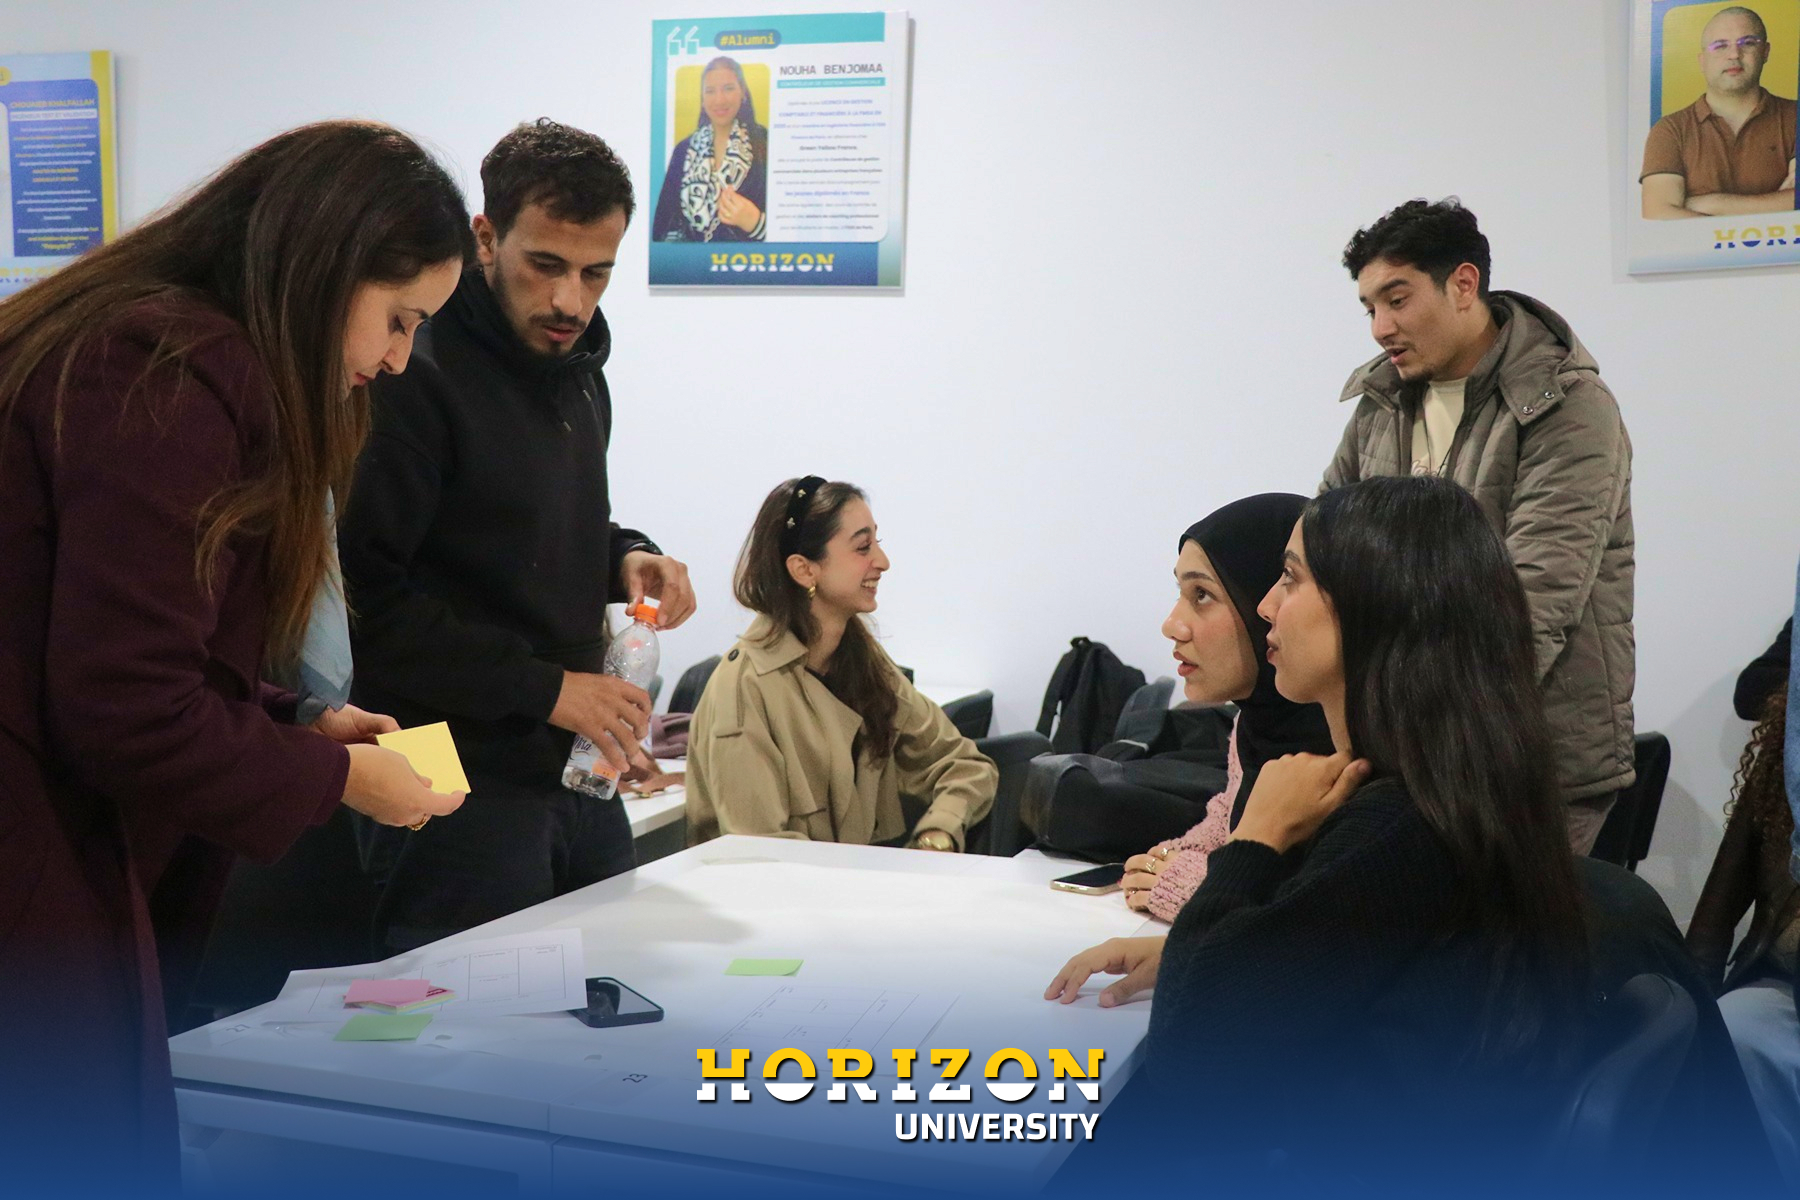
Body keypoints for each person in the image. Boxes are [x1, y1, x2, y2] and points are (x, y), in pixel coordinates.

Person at [0, 121, 471, 1189]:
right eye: (399, 321)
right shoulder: (168, 372)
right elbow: (124, 703)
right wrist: (339, 777)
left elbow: (128, 640)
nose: (397, 361)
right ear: (328, 268)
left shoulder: (151, 346)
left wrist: (296, 718)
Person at [1046, 476, 1591, 1189]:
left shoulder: (1398, 827)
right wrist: (1203, 955)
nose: (1267, 605)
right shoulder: (1455, 787)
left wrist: (1255, 841)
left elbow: (1192, 1060)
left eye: (1291, 579)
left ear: (1374, 609)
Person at [339, 119, 696, 953]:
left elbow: (536, 524)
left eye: (596, 273)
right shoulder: (409, 372)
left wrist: (625, 557)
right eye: (546, 265)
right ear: (486, 237)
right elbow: (367, 603)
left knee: (612, 987)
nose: (571, 300)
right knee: (464, 1020)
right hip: (446, 772)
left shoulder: (576, 370)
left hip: (574, 768)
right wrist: (548, 689)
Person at [1323, 198, 1634, 854]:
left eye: (1397, 300)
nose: (1380, 327)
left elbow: (1536, 599)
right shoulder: (1382, 404)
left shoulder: (1568, 405)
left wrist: (1418, 729)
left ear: (1463, 284)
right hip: (1403, 750)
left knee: (1502, 926)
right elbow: (1320, 551)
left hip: (1530, 759)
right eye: (1369, 308)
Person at [686, 477, 996, 848]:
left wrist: (938, 833)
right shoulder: (745, 688)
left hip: (847, 881)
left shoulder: (861, 659)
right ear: (804, 570)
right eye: (863, 547)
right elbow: (762, 856)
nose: (883, 562)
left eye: (877, 542)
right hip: (787, 885)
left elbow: (965, 765)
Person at [1120, 494, 1332, 920]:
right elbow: (1228, 817)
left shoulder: (1348, 742)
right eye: (1180, 592)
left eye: (1202, 595)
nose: (1171, 625)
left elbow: (1304, 918)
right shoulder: (1254, 724)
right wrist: (1174, 859)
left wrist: (1193, 885)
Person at [1689, 687, 1800, 1185]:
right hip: (1781, 981)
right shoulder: (1788, 746)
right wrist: (1695, 1010)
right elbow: (1716, 910)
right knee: (1731, 1034)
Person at [1641, 6, 1797, 220]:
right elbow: (1658, 213)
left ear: (1765, 52)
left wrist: (1712, 203)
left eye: (1748, 43)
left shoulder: (1795, 117)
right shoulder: (1671, 130)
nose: (1734, 54)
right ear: (1702, 61)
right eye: (1720, 46)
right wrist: (1776, 205)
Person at [651, 56, 769, 242]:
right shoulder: (684, 150)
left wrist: (755, 223)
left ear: (743, 92)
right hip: (692, 260)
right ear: (702, 98)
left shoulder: (765, 143)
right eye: (710, 91)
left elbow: (791, 225)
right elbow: (662, 225)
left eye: (728, 88)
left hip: (749, 259)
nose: (719, 100)